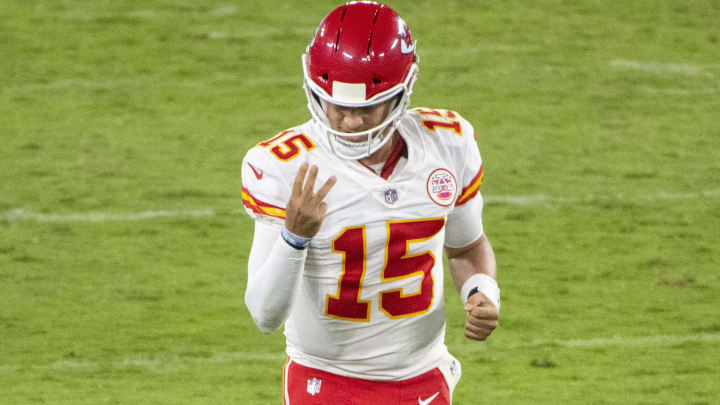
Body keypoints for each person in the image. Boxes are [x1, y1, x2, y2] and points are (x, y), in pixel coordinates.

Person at [241, 2, 499, 404]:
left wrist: (481, 290)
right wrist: (293, 237)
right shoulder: (283, 165)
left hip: (423, 377)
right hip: (327, 379)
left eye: (366, 108)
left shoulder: (448, 144)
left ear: (402, 93)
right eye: (338, 106)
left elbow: (466, 246)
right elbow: (264, 315)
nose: (351, 122)